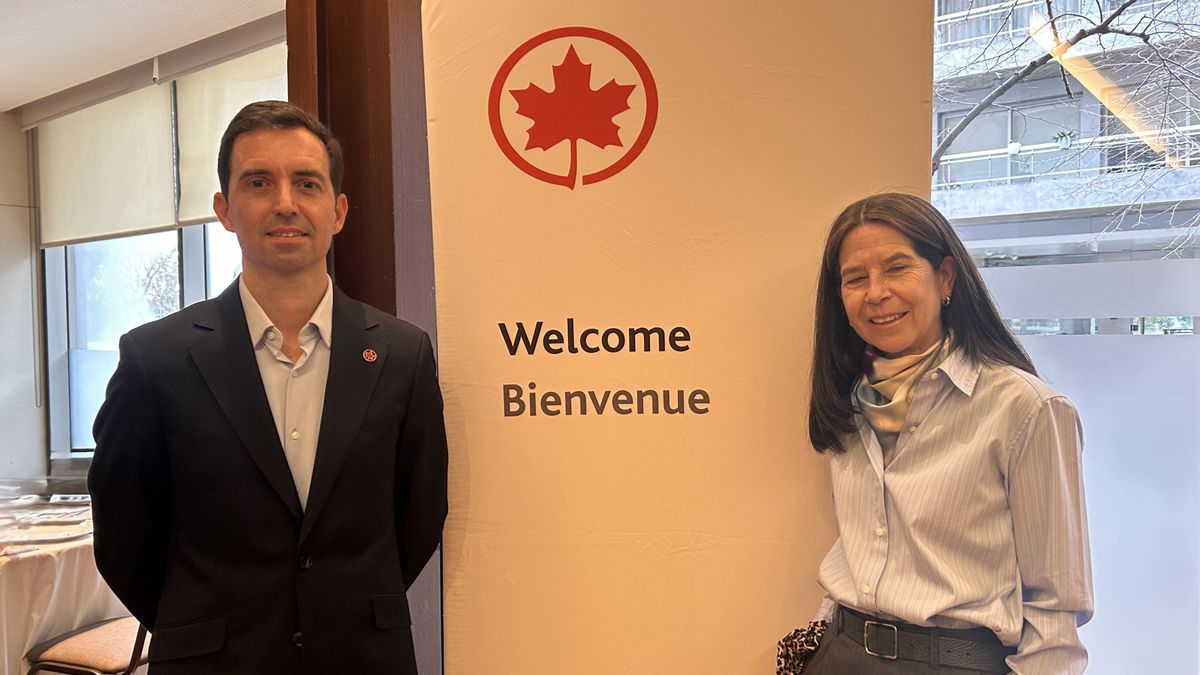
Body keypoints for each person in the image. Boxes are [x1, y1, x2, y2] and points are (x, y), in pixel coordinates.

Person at [88, 100, 448, 674]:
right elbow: (123, 535)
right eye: (259, 182)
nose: (285, 203)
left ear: (338, 210)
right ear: (225, 210)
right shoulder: (154, 359)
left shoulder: (403, 355)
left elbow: (420, 516)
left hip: (363, 658)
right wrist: (198, 623)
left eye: (307, 183)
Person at [802, 193, 1093, 674]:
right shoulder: (850, 402)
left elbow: (1055, 611)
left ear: (945, 278)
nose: (875, 293)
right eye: (856, 278)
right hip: (841, 654)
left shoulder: (1025, 407)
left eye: (896, 268)